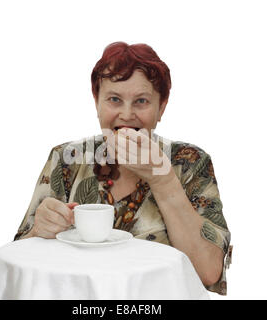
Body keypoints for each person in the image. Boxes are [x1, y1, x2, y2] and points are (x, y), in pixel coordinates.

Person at [14, 41, 232, 295]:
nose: (127, 115)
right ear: (97, 102)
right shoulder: (67, 158)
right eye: (114, 99)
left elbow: (208, 271)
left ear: (161, 107)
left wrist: (163, 181)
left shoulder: (190, 161)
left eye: (141, 101)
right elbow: (19, 258)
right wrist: (40, 230)